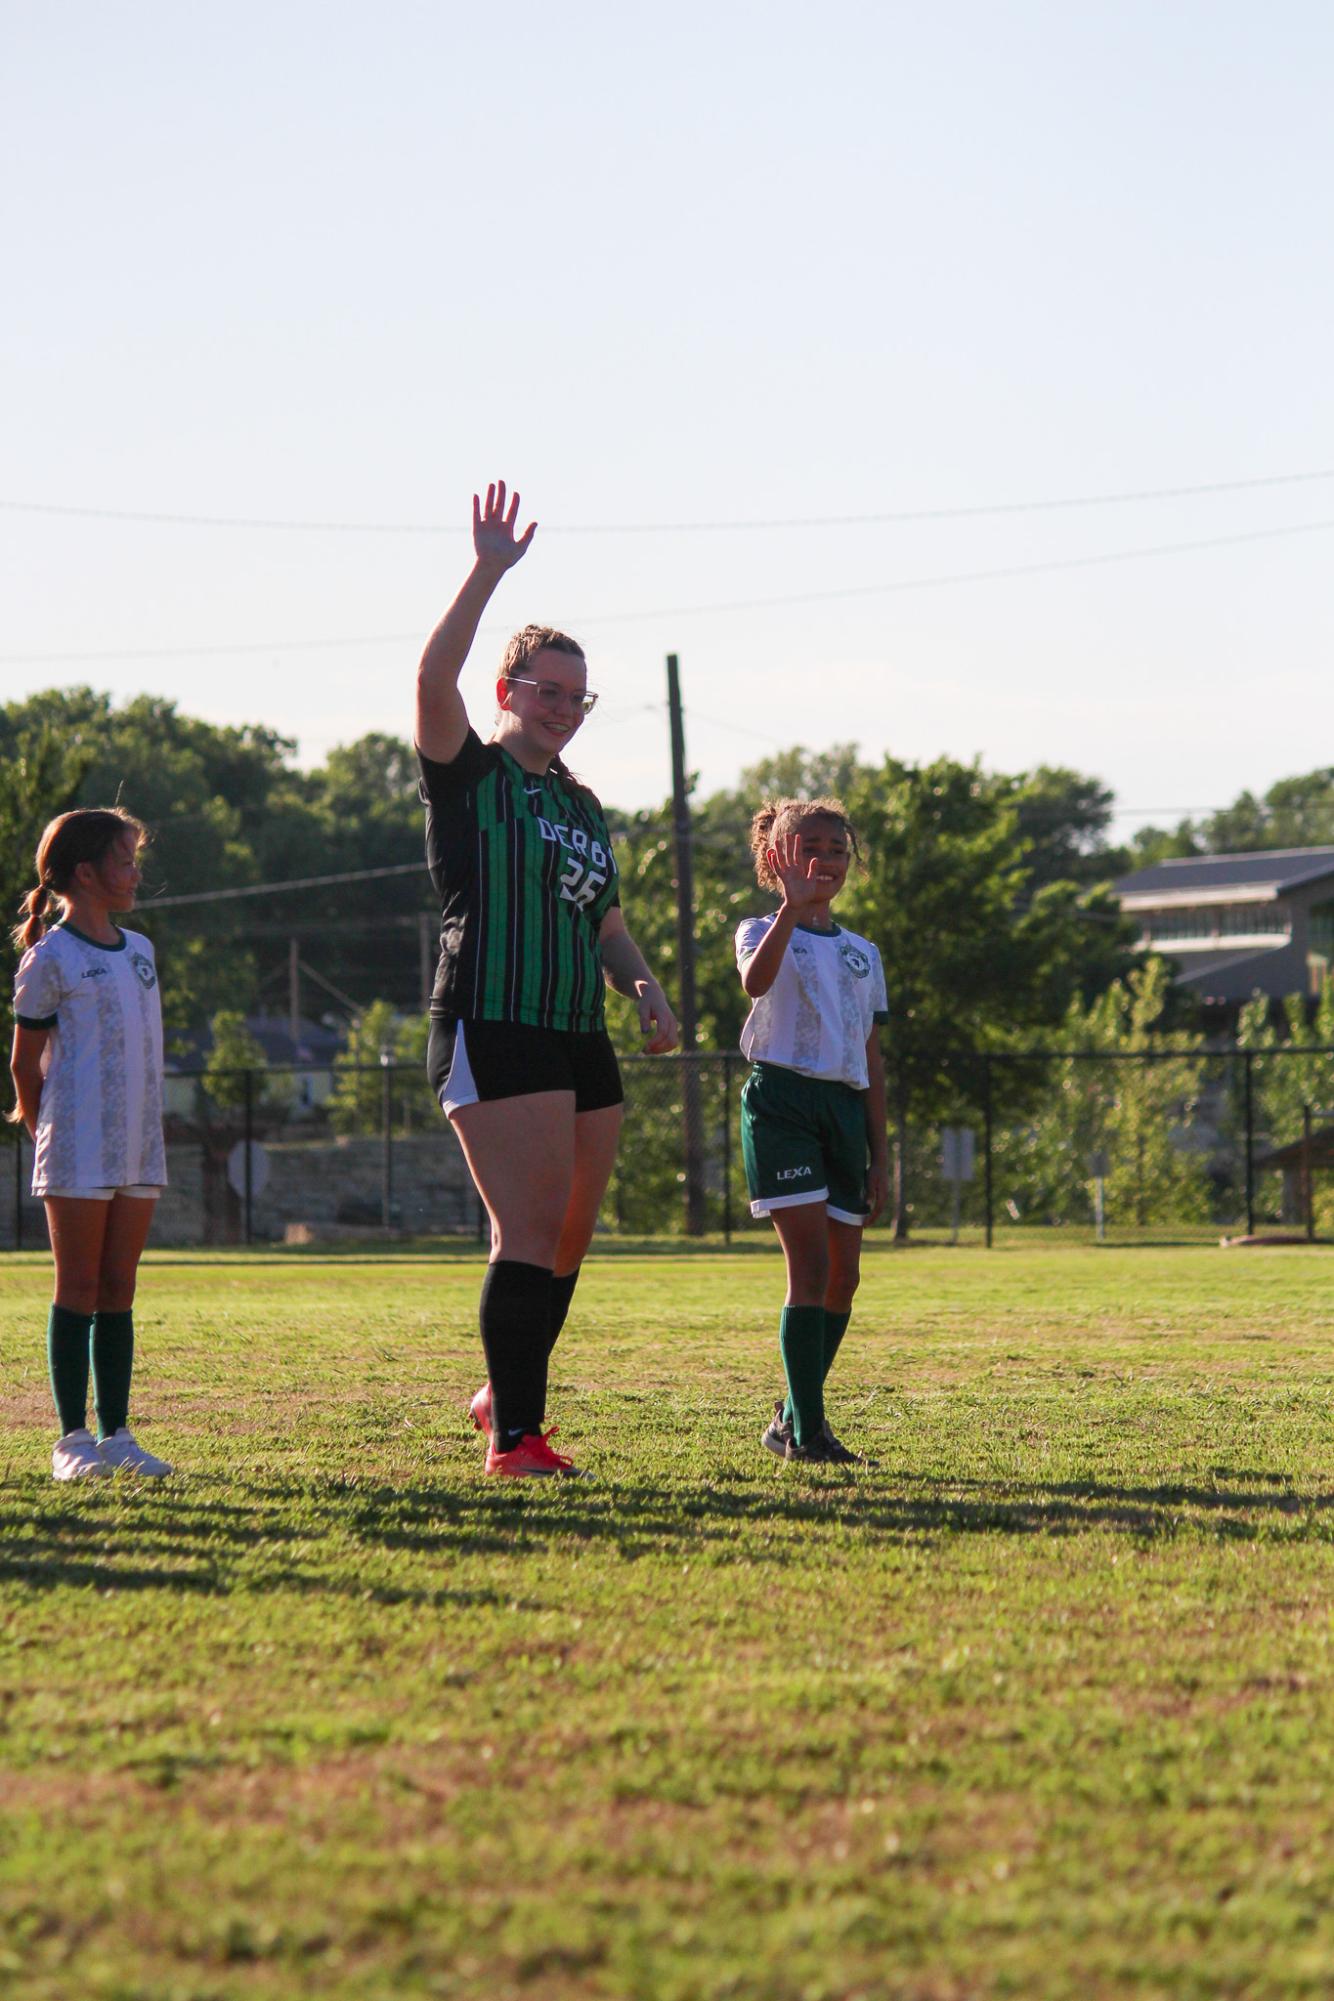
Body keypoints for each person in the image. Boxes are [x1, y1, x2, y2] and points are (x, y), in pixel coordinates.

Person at [416, 480, 679, 1477]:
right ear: (507, 693)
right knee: (524, 1229)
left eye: (577, 696)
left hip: (577, 1029)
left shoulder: (581, 802)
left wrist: (642, 985)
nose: (563, 709)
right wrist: (486, 571)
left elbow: (602, 913)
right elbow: (429, 678)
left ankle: (501, 1387)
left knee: (565, 1237)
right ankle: (515, 1438)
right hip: (494, 1016)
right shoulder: (470, 774)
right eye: (545, 691)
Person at [9, 808, 172, 1480]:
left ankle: (118, 1435)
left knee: (119, 1287)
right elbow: (24, 1065)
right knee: (76, 1285)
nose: (136, 872)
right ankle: (71, 1442)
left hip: (138, 1147)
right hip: (76, 1149)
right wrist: (50, 1126)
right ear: (86, 872)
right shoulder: (51, 958)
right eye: (125, 859)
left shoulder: (140, 951)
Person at [735, 798, 889, 1464]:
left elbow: (872, 1055)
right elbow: (754, 982)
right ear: (777, 857)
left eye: (835, 848)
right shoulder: (759, 929)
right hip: (784, 1104)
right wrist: (790, 911)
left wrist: (881, 1153)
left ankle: (791, 1414)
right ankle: (808, 1435)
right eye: (809, 847)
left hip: (844, 1112)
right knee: (812, 1266)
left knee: (844, 1278)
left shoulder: (862, 952)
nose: (823, 861)